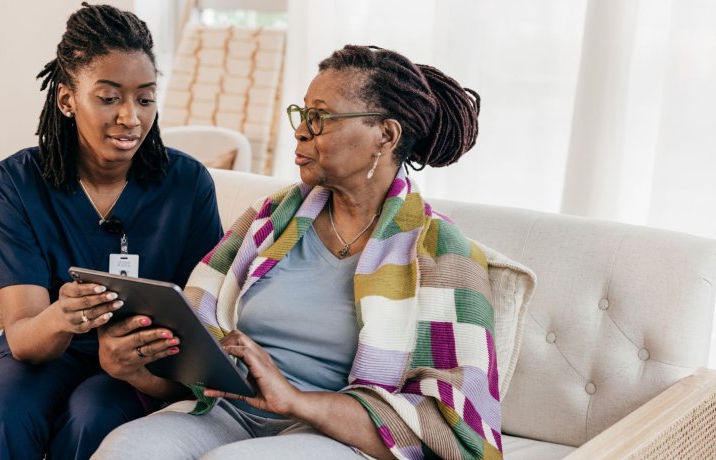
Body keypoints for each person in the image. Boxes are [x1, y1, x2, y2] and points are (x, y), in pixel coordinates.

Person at [94, 44, 501, 459]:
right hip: (230, 410)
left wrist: (293, 399)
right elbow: (201, 361)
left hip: (339, 435)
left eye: (320, 117)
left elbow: (450, 427)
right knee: (124, 448)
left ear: (386, 134)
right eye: (302, 114)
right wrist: (137, 369)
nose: (301, 130)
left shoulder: (440, 251)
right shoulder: (271, 219)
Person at [0, 3, 223, 459]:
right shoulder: (18, 182)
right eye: (109, 98)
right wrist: (64, 315)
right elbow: (25, 340)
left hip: (135, 362)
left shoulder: (188, 185)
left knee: (93, 415)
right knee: (5, 412)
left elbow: (201, 327)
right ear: (67, 100)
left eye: (145, 98)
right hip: (47, 344)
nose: (131, 117)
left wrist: (140, 366)